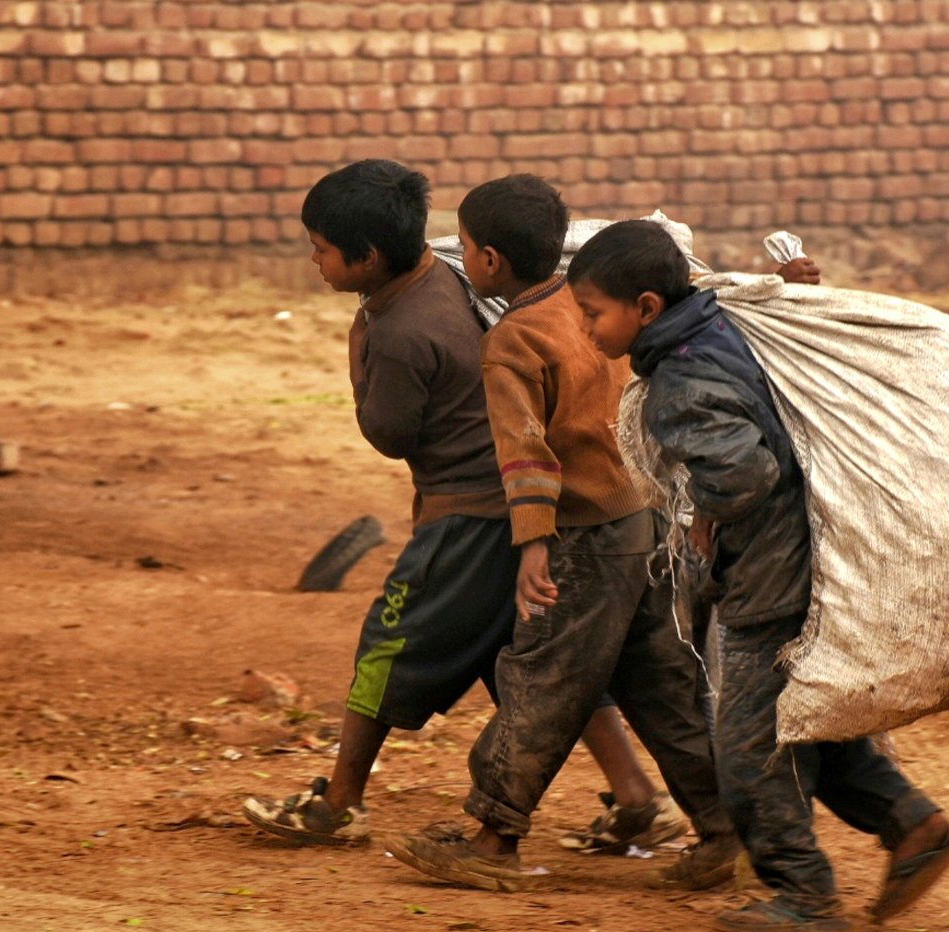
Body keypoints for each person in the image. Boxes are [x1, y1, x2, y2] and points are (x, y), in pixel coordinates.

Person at [241, 160, 688, 856]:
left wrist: (359, 347)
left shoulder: (397, 331)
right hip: (524, 509)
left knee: (387, 642)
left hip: (472, 516)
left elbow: (389, 434)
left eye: (322, 249)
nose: (314, 260)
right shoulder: (446, 274)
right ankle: (636, 799)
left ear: (367, 257)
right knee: (531, 654)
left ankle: (339, 803)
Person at [566, 219, 949, 932]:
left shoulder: (681, 378)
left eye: (594, 313)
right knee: (802, 719)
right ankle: (913, 824)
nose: (586, 328)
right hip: (817, 559)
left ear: (646, 308)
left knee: (750, 743)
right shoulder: (724, 323)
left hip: (770, 575)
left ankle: (802, 893)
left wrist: (700, 511)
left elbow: (743, 472)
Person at [384, 175, 740, 892]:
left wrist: (533, 546)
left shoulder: (516, 339)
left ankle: (492, 838)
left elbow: (526, 454)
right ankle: (726, 827)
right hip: (642, 522)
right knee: (662, 686)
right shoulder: (593, 311)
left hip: (585, 538)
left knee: (542, 679)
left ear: (485, 262)